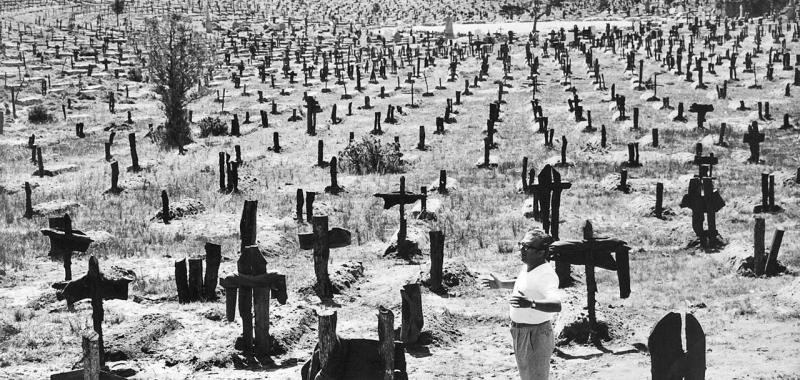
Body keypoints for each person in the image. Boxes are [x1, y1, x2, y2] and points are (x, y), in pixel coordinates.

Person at [480, 228, 562, 380]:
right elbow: (526, 285)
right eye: (521, 244)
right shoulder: (529, 266)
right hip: (521, 333)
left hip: (535, 335)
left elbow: (556, 304)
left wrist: (531, 303)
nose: (521, 250)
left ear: (541, 252)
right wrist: (502, 284)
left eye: (527, 247)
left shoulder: (547, 275)